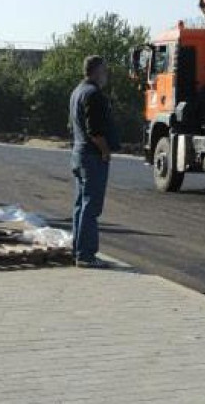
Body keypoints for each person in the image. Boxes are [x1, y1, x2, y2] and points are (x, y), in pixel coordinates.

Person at [69, 55, 119, 269]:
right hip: (92, 156)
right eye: (105, 70)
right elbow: (95, 131)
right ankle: (86, 255)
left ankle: (78, 250)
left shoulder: (77, 92)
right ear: (97, 71)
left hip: (79, 153)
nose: (106, 75)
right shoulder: (93, 95)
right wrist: (105, 151)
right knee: (91, 207)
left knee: (81, 205)